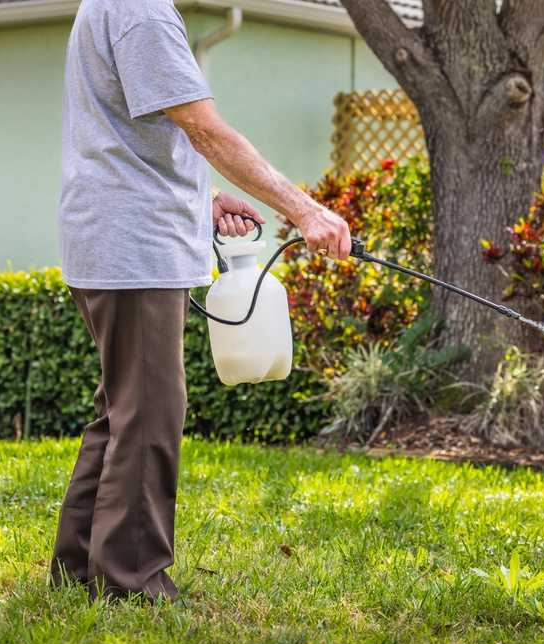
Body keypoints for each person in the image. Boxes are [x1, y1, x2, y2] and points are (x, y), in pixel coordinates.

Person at [50, 0, 350, 602]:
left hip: (111, 238)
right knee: (150, 413)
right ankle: (131, 581)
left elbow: (138, 129)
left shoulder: (107, 6)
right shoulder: (144, 13)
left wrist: (204, 198)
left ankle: (79, 565)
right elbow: (206, 127)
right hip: (133, 246)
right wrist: (304, 208)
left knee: (123, 410)